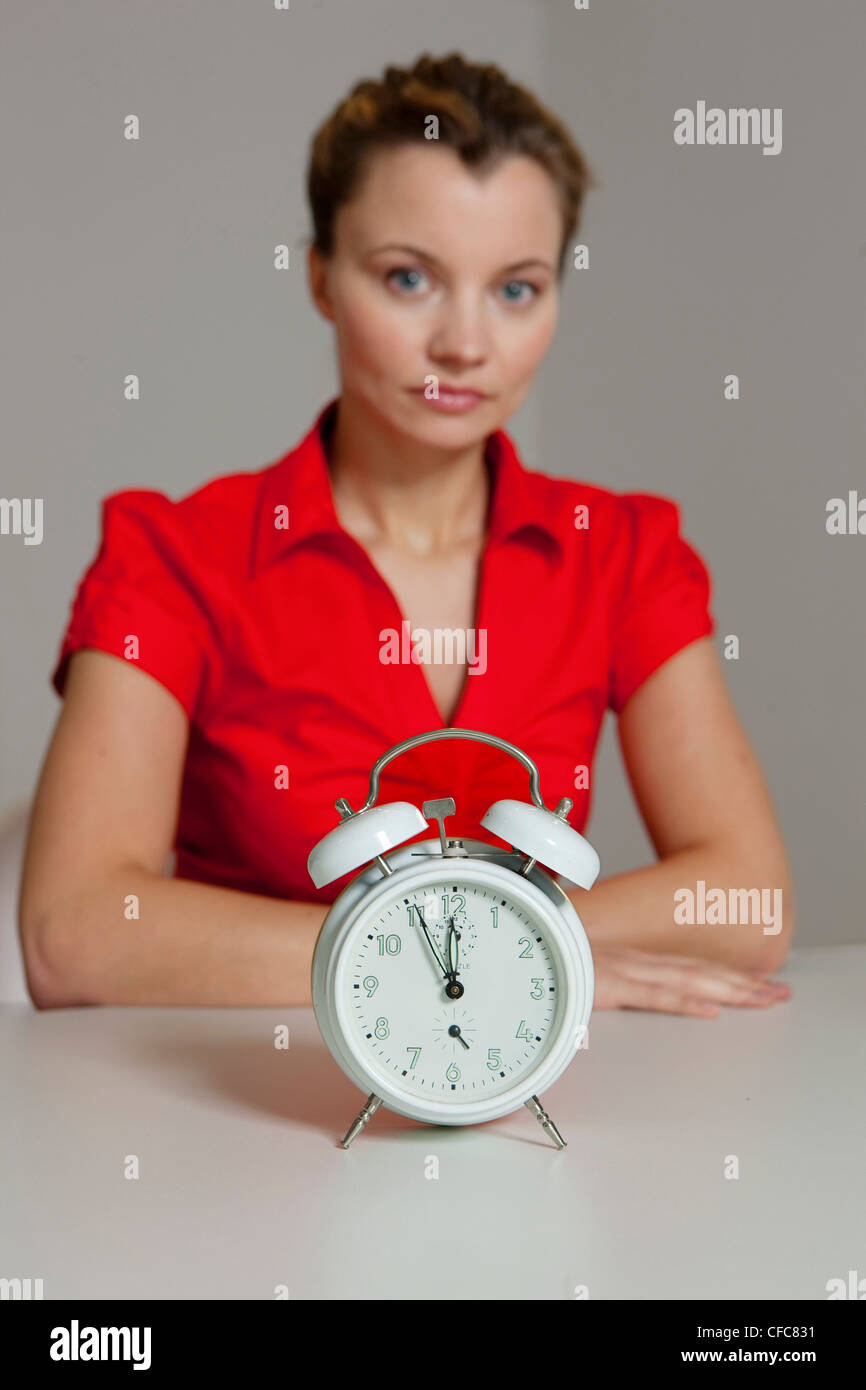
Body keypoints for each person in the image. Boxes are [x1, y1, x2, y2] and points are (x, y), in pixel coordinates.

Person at [18, 52, 793, 1016]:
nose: (465, 344)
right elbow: (75, 933)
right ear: (321, 278)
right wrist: (523, 949)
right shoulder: (175, 557)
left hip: (532, 1103)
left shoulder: (620, 551)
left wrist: (508, 951)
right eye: (410, 278)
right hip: (236, 1125)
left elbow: (747, 899)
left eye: (516, 289)